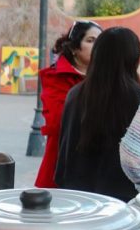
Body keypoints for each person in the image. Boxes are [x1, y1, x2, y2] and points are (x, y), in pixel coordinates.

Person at [54, 27, 140, 202]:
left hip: (79, 200)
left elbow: (64, 155)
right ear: (133, 58)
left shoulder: (74, 95)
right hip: (125, 206)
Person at [35, 20, 102, 188]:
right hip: (63, 165)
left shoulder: (106, 78)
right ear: (73, 48)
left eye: (101, 42)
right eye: (90, 40)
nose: (98, 46)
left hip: (97, 169)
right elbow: (59, 122)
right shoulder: (56, 77)